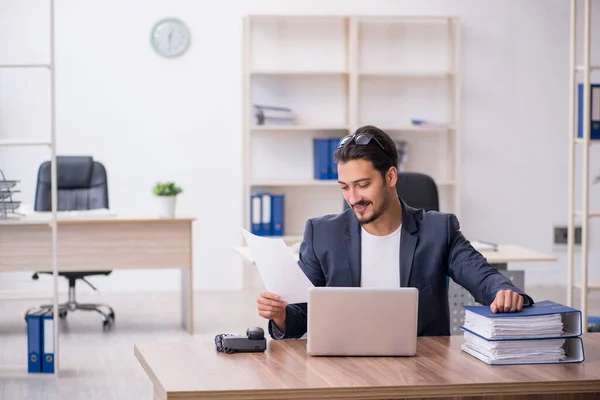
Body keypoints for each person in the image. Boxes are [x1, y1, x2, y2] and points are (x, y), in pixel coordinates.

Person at [256, 125, 534, 338]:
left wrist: (503, 292)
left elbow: (484, 279)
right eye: (345, 186)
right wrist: (280, 315)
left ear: (390, 176)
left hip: (422, 372)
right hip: (342, 372)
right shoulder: (322, 234)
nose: (353, 198)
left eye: (362, 185)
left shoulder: (438, 230)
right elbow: (299, 316)